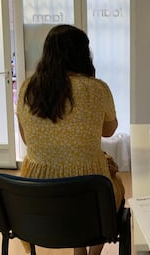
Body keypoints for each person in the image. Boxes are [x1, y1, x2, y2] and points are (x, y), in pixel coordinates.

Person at [16, 24, 125, 255]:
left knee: (75, 178)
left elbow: (26, 139)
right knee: (110, 183)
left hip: (36, 200)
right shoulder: (96, 89)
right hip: (89, 198)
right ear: (84, 55)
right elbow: (109, 131)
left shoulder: (28, 88)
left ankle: (79, 251)